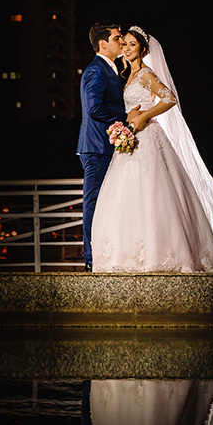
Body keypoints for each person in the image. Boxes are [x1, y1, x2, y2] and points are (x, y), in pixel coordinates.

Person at [90, 26, 213, 273]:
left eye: (132, 45)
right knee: (127, 196)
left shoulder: (145, 74)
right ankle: (128, 255)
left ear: (143, 49)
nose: (127, 49)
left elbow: (170, 98)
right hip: (129, 141)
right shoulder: (126, 75)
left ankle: (160, 254)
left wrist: (144, 117)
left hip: (148, 137)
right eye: (124, 44)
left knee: (153, 194)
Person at [76, 22, 142, 271]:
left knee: (109, 202)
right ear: (103, 44)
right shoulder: (96, 70)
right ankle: (91, 259)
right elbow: (94, 108)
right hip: (96, 147)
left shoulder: (111, 69)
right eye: (117, 39)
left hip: (107, 146)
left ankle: (107, 254)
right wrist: (126, 116)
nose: (122, 43)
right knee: (93, 202)